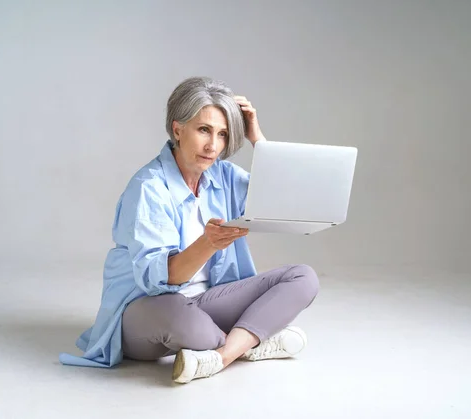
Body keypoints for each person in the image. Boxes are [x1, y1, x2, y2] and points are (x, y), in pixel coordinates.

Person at [59, 76, 320, 384]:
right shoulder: (149, 188)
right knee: (184, 319)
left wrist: (257, 138)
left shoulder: (222, 175)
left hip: (207, 301)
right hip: (148, 309)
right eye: (204, 130)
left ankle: (223, 355)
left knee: (303, 278)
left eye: (223, 135)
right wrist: (207, 243)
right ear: (177, 129)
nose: (213, 146)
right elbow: (161, 280)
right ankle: (253, 339)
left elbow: (286, 201)